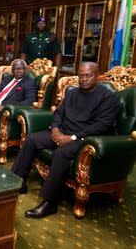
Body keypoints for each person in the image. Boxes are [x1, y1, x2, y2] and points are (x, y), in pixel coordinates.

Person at [11, 62, 120, 218]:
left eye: (88, 75)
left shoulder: (108, 98)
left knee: (61, 153)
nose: (84, 79)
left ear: (97, 76)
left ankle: (50, 202)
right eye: (81, 75)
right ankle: (18, 182)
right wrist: (55, 129)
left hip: (85, 138)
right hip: (62, 132)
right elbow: (59, 113)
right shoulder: (73, 92)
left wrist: (72, 138)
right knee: (32, 139)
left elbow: (102, 126)